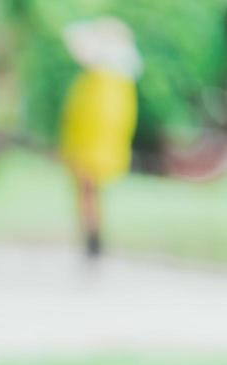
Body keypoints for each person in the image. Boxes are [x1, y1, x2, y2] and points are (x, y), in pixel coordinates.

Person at [59, 17, 141, 260]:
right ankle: (91, 239)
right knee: (88, 194)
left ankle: (93, 242)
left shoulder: (109, 80)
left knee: (88, 193)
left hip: (92, 149)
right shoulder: (108, 79)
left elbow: (101, 117)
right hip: (89, 147)